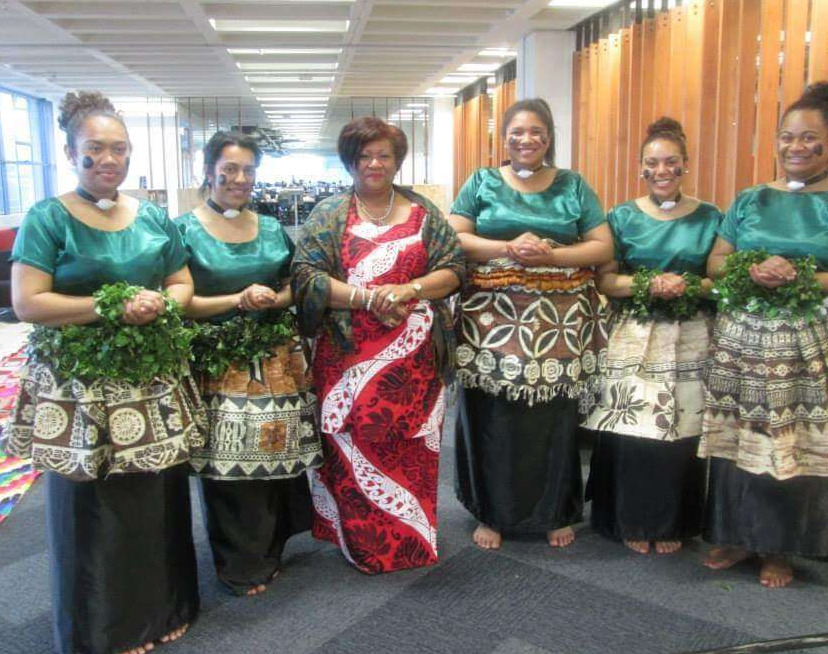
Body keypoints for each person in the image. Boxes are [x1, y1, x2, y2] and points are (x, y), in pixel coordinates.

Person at [5, 91, 202, 654]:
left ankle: (165, 609)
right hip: (81, 389)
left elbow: (181, 283)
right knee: (93, 505)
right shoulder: (49, 217)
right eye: (96, 148)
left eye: (119, 148)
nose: (109, 159)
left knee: (156, 496)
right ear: (72, 152)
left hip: (149, 380)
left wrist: (160, 305)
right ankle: (105, 628)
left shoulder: (153, 216)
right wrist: (112, 307)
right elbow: (28, 302)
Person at [700, 82, 828, 587]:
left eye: (809, 138)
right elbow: (716, 263)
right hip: (746, 342)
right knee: (742, 438)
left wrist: (798, 275)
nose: (796, 147)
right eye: (787, 137)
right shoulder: (750, 197)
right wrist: (753, 268)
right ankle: (738, 534)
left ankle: (782, 547)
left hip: (814, 344)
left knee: (799, 443)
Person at [291, 117, 464, 574]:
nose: (374, 163)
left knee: (412, 448)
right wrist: (368, 299)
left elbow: (454, 268)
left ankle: (414, 541)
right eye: (364, 156)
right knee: (354, 448)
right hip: (347, 358)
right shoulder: (329, 213)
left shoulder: (423, 211)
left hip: (415, 360)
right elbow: (305, 277)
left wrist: (409, 290)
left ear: (397, 160)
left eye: (383, 155)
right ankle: (363, 547)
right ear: (350, 161)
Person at [450, 98, 613, 550]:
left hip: (557, 325)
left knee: (552, 419)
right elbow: (453, 237)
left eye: (537, 131)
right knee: (494, 417)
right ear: (503, 138)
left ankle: (554, 511)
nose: (527, 139)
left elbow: (602, 246)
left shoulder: (572, 184)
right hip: (491, 322)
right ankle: (492, 512)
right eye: (517, 132)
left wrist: (551, 254)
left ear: (549, 138)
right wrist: (508, 248)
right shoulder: (481, 181)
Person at [177, 131, 322, 595]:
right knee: (228, 463)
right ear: (209, 171)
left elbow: (293, 286)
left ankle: (271, 548)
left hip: (277, 361)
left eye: (248, 170)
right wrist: (238, 300)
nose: (239, 179)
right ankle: (238, 563)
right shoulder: (184, 230)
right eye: (229, 170)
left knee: (277, 452)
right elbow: (179, 301)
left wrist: (272, 299)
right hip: (220, 363)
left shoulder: (272, 228)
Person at [582, 117, 721, 555]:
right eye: (652, 163)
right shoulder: (622, 216)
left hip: (691, 336)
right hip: (633, 333)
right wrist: (648, 284)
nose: (662, 170)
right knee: (631, 429)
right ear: (641, 167)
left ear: (685, 165)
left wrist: (687, 285)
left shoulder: (710, 216)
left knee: (683, 429)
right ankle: (629, 518)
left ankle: (673, 521)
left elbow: (720, 281)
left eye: (671, 162)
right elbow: (606, 280)